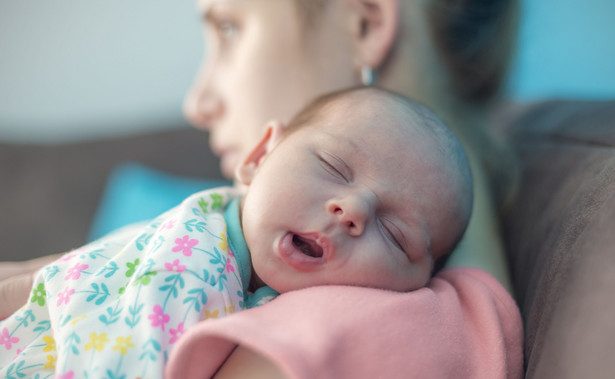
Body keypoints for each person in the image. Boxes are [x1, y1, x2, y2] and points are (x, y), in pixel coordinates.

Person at [0, 0, 522, 377]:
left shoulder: (391, 323)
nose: (198, 102)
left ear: (364, 22)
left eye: (229, 27)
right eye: (334, 166)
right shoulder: (232, 233)